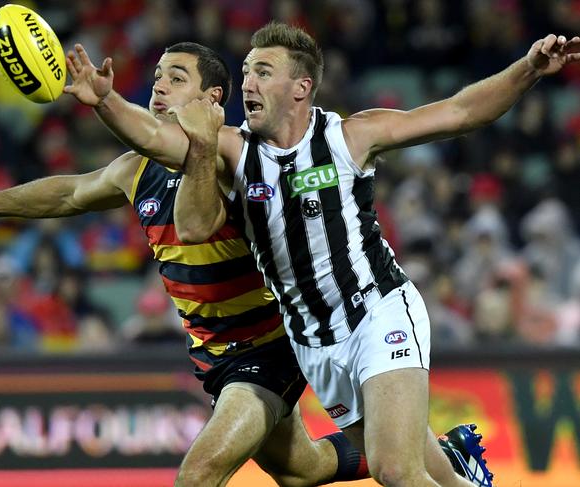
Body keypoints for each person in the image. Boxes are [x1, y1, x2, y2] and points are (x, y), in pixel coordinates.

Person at [62, 21, 580, 487]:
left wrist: (529, 68)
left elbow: (462, 111)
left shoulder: (351, 136)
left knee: (395, 469)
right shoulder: (232, 150)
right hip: (314, 344)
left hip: (378, 312)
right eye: (246, 72)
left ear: (301, 88)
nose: (248, 84)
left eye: (263, 72)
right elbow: (152, 135)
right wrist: (104, 101)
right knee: (428, 472)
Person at [0, 41, 377, 487]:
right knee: (301, 470)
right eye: (159, 75)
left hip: (271, 345)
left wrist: (106, 101)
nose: (160, 84)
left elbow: (160, 156)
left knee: (197, 476)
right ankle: (432, 452)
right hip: (215, 353)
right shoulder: (136, 170)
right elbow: (70, 193)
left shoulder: (239, 158)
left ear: (212, 100)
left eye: (177, 78)